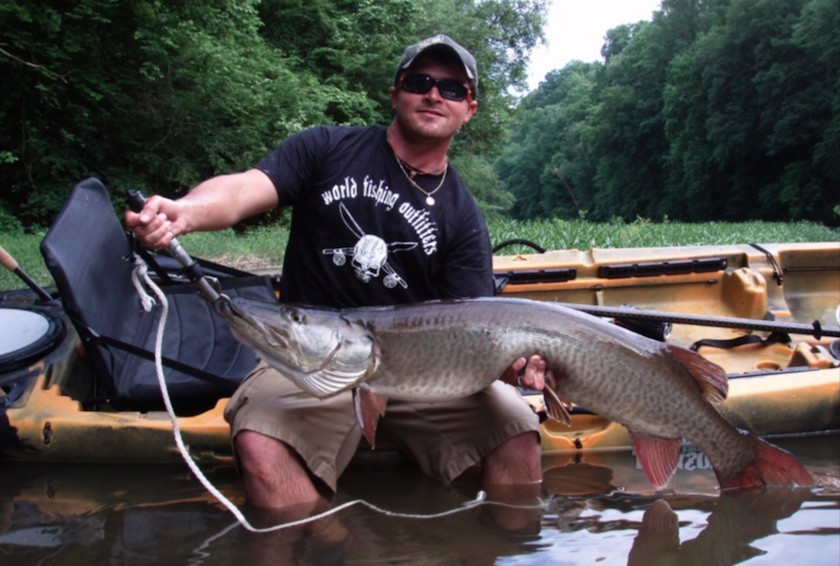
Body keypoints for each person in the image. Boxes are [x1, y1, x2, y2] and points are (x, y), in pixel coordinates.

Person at [126, 35, 551, 515]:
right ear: (395, 93)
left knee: (517, 430)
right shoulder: (327, 149)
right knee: (260, 444)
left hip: (417, 376)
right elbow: (246, 189)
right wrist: (184, 212)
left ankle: (496, 547)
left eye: (452, 89)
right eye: (420, 82)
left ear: (468, 108)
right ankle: (329, 536)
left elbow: (474, 330)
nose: (434, 95)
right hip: (310, 358)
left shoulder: (464, 218)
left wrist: (517, 364)